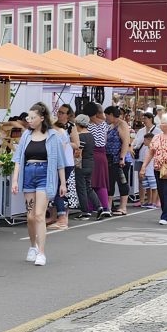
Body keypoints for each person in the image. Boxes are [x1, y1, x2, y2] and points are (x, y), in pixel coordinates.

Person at [11, 102, 66, 267]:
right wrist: (15, 179)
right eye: (29, 117)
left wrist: (63, 183)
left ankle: (41, 252)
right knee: (30, 216)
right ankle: (32, 246)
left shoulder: (53, 136)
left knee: (39, 215)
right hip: (28, 174)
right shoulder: (26, 136)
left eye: (33, 117)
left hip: (45, 175)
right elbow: (18, 159)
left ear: (42, 118)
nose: (30, 120)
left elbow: (59, 162)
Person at [139, 113, 167, 225]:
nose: (161, 125)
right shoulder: (157, 137)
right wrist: (144, 166)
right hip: (158, 169)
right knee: (162, 192)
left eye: (163, 123)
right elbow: (150, 152)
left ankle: (166, 216)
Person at [73, 114, 105, 220]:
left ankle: (85, 211)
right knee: (88, 187)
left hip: (82, 164)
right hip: (91, 163)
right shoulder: (91, 136)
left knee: (81, 188)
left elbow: (78, 153)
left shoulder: (80, 137)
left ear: (78, 124)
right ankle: (99, 206)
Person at [84, 103, 111, 218]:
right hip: (102, 154)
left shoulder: (87, 126)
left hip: (91, 154)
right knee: (100, 182)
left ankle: (98, 207)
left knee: (92, 182)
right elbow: (105, 138)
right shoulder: (104, 124)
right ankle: (102, 206)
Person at [104, 106, 132, 215]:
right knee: (110, 182)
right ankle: (109, 205)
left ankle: (123, 207)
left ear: (111, 114)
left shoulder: (122, 124)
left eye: (107, 116)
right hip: (110, 158)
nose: (106, 118)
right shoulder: (111, 125)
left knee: (122, 182)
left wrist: (122, 158)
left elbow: (125, 142)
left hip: (120, 159)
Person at [48, 122, 75, 230]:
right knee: (59, 190)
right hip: (67, 163)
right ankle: (57, 217)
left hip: (63, 164)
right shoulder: (61, 132)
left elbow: (60, 150)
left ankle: (62, 218)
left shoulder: (57, 133)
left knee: (58, 190)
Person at [137, 133, 158, 209]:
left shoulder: (153, 149)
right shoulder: (146, 149)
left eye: (145, 140)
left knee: (154, 187)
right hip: (146, 171)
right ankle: (149, 201)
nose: (144, 142)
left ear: (150, 140)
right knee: (148, 187)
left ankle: (154, 202)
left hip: (152, 172)